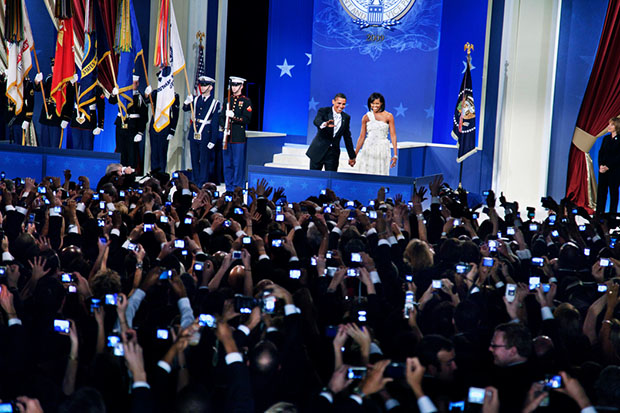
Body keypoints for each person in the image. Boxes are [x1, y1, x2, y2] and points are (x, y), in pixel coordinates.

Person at [182, 76, 220, 186]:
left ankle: (202, 182)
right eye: (201, 85)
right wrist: (186, 101)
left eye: (205, 85)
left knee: (204, 160)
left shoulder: (214, 103)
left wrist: (213, 140)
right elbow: (185, 109)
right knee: (194, 159)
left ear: (210, 87)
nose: (202, 88)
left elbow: (215, 123)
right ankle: (195, 181)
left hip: (205, 134)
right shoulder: (196, 99)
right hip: (194, 132)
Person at [306, 93, 356, 171]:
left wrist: (352, 156)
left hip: (333, 155)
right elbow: (316, 121)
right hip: (318, 151)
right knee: (314, 180)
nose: (341, 106)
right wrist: (324, 124)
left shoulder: (346, 118)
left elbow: (347, 138)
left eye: (343, 104)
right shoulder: (324, 111)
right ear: (333, 102)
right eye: (339, 103)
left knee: (331, 181)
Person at [218, 76, 252, 191]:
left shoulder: (246, 101)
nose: (234, 87)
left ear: (241, 86)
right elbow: (221, 117)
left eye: (236, 85)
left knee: (238, 164)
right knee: (227, 164)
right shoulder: (227, 100)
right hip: (227, 137)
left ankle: (237, 188)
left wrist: (234, 117)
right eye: (232, 85)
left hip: (238, 137)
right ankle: (229, 187)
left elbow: (247, 119)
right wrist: (224, 125)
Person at [109, 75, 149, 169]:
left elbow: (144, 116)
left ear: (138, 84)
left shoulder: (139, 97)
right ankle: (121, 171)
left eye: (134, 83)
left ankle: (131, 173)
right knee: (120, 149)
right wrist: (114, 94)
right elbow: (112, 101)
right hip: (121, 124)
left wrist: (140, 132)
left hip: (132, 127)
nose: (132, 85)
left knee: (131, 152)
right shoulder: (122, 94)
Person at [354, 92, 398, 175]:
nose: (374, 106)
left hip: (382, 149)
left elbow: (393, 135)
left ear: (381, 103)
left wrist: (395, 155)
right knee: (366, 173)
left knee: (380, 174)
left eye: (377, 103)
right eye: (372, 103)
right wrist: (354, 155)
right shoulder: (366, 117)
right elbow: (361, 137)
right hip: (368, 148)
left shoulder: (388, 116)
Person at [34, 58, 71, 148]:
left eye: (55, 66)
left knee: (54, 146)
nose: (53, 68)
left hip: (57, 117)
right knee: (44, 145)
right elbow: (39, 89)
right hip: (46, 116)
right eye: (52, 66)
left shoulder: (65, 82)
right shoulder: (49, 78)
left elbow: (69, 101)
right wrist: (37, 81)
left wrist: (66, 118)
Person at [144, 81, 180, 173]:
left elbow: (175, 115)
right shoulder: (156, 93)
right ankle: (154, 174)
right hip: (155, 126)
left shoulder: (174, 96)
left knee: (162, 152)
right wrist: (147, 94)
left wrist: (172, 130)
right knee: (154, 153)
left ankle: (161, 175)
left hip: (165, 127)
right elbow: (147, 101)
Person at [67, 76, 105, 151]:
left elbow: (101, 107)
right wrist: (70, 84)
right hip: (76, 121)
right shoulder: (76, 86)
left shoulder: (96, 88)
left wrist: (100, 125)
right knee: (76, 148)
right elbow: (68, 99)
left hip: (89, 122)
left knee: (87, 149)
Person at [596, 117, 620, 215]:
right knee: (601, 193)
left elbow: (618, 156)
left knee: (613, 192)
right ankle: (599, 214)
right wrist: (601, 166)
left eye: (611, 124)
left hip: (614, 171)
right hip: (603, 170)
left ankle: (612, 215)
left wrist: (608, 166)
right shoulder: (606, 138)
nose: (608, 126)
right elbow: (601, 153)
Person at [5, 76, 34, 146]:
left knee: (19, 146)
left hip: (20, 119)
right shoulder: (8, 82)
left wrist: (28, 119)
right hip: (7, 119)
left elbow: (30, 103)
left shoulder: (27, 83)